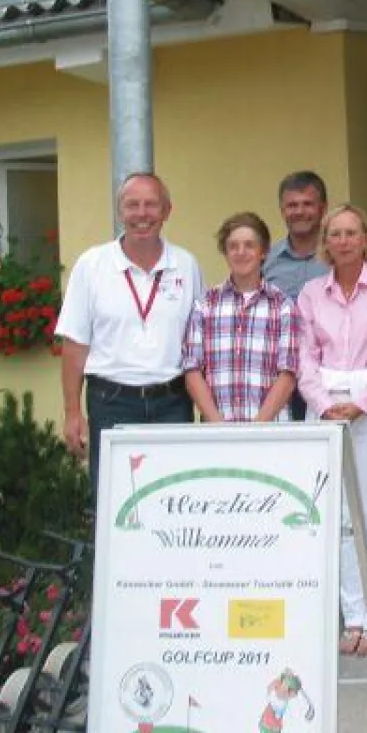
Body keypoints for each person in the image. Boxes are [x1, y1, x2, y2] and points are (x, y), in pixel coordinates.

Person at [297, 205, 367, 657]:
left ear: (366, 238)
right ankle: (352, 617)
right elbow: (302, 359)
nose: (343, 241)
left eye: (351, 233)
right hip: (324, 413)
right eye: (335, 233)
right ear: (326, 241)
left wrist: (361, 404)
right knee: (338, 522)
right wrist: (326, 407)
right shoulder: (309, 293)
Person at [56, 172, 203, 494]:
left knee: (174, 498)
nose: (141, 214)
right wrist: (71, 413)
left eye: (151, 205)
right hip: (112, 402)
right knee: (115, 502)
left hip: (172, 402)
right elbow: (74, 344)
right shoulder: (92, 265)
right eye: (132, 205)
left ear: (167, 211)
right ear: (120, 211)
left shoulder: (186, 264)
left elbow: (198, 344)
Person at [182, 212, 298, 423]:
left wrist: (258, 426)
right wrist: (217, 424)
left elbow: (288, 372)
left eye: (249, 245)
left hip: (270, 430)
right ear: (225, 253)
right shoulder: (205, 304)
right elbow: (192, 369)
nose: (240, 252)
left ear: (263, 252)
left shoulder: (282, 306)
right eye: (233, 246)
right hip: (217, 431)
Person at [264, 171, 329, 420]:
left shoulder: (339, 256)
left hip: (326, 377)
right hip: (277, 375)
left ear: (323, 208)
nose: (299, 211)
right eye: (292, 205)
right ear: (282, 210)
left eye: (307, 204)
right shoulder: (266, 259)